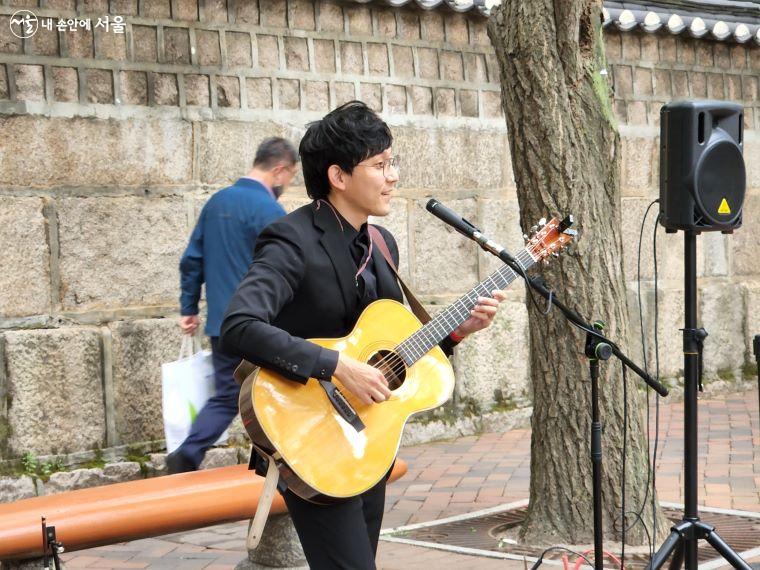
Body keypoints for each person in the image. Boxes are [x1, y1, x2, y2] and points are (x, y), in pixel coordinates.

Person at [220, 102, 506, 568]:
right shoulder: (290, 240)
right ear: (338, 175)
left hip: (368, 438)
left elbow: (394, 354)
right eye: (379, 165)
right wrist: (337, 367)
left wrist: (454, 335)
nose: (392, 175)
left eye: (391, 162)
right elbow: (239, 327)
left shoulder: (381, 245)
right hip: (308, 435)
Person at [168, 137, 298, 474]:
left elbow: (191, 261)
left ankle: (193, 451)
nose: (287, 185)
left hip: (220, 325)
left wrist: (189, 309)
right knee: (274, 392)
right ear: (280, 170)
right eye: (290, 177)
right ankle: (281, 461)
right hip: (259, 324)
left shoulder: (217, 203)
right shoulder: (269, 211)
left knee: (230, 392)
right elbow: (285, 269)